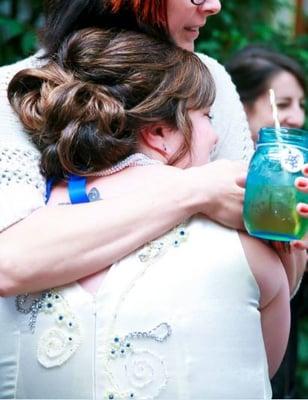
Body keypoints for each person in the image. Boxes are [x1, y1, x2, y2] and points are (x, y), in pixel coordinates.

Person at [1, 27, 290, 399]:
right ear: (159, 134)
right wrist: (287, 250)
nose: (216, 137)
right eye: (206, 117)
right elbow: (258, 367)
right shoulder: (242, 244)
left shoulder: (32, 217)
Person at [0, 0, 307, 297]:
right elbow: (10, 264)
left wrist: (289, 238)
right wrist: (196, 191)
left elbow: (263, 288)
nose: (214, 5)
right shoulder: (12, 90)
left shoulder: (212, 81)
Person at [226, 44, 308, 399]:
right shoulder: (217, 179)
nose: (297, 117)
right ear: (241, 107)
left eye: (301, 105)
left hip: (278, 374)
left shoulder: (294, 178)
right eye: (284, 104)